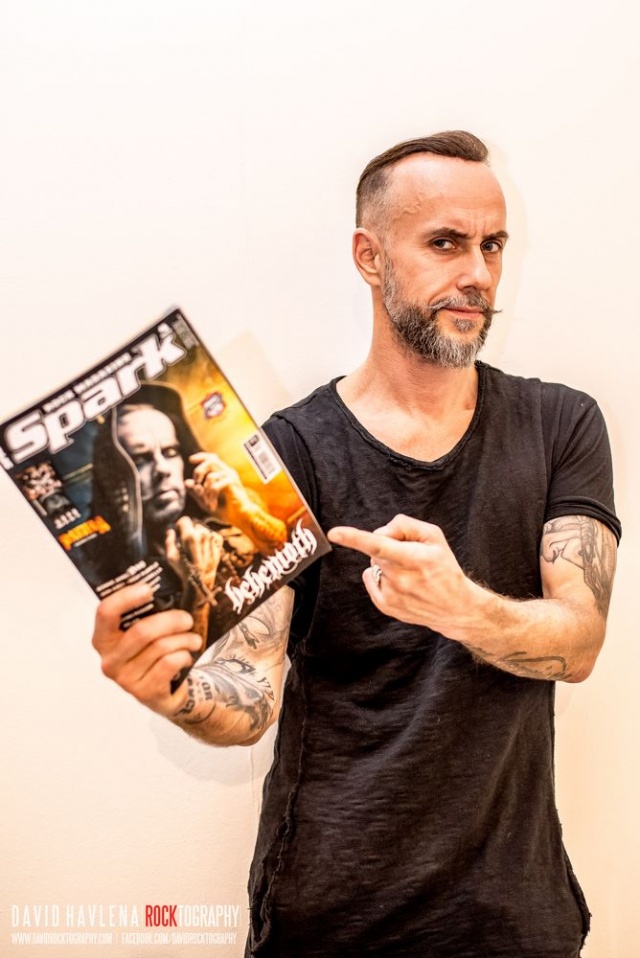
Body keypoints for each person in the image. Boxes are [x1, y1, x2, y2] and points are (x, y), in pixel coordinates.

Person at [92, 131, 620, 957]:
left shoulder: (561, 425)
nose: (479, 274)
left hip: (513, 920)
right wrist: (171, 690)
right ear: (369, 257)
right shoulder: (285, 454)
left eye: (492, 245)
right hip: (333, 919)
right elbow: (248, 692)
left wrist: (460, 607)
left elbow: (579, 641)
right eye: (445, 243)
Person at [91, 381, 287, 649]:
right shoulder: (125, 583)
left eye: (170, 452)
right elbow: (184, 666)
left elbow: (304, 560)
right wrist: (198, 588)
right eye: (140, 459)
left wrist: (242, 515)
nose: (162, 469)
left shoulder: (231, 508)